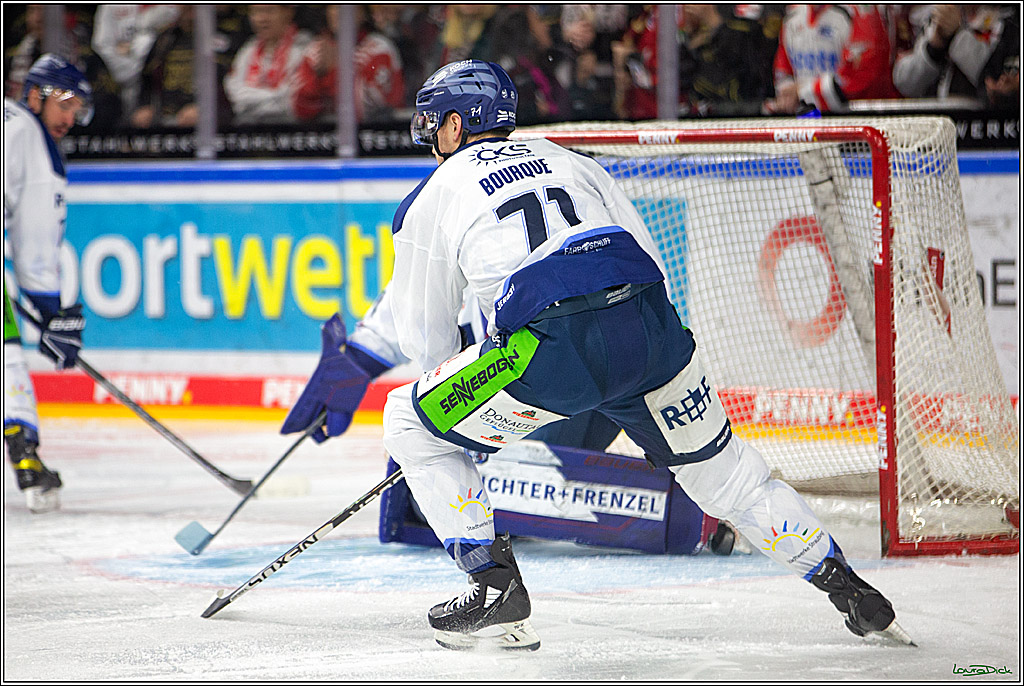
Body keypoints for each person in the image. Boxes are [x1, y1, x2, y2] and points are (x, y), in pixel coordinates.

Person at [294, 59, 912, 651]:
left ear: (454, 125)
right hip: (650, 333)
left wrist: (457, 415)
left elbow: (424, 344)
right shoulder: (575, 162)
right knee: (722, 474)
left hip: (549, 351)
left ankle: (492, 584)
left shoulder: (432, 195)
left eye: (432, 126)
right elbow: (648, 259)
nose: (430, 141)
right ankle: (845, 585)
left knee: (411, 422)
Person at [4, 54, 92, 513]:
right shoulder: (31, 135)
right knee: (6, 352)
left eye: (77, 109)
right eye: (64, 104)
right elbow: (36, 248)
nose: (69, 118)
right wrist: (52, 312)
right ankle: (25, 459)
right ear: (34, 95)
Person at [765, 4, 900, 114]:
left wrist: (801, 93)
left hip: (863, 121)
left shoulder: (862, 12)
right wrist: (787, 96)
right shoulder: (792, 15)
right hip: (811, 120)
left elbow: (858, 78)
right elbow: (783, 71)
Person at [892, 4, 1020, 107]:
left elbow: (997, 82)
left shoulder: (1012, 22)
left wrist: (957, 35)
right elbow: (905, 83)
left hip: (984, 126)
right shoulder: (942, 15)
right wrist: (934, 47)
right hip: (938, 126)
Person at [223, 5, 312, 125]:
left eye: (269, 11)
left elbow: (292, 99)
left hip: (292, 129)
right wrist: (274, 96)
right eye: (256, 12)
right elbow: (236, 96)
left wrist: (251, 101)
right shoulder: (248, 49)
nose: (262, 19)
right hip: (248, 129)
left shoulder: (305, 47)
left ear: (288, 12)